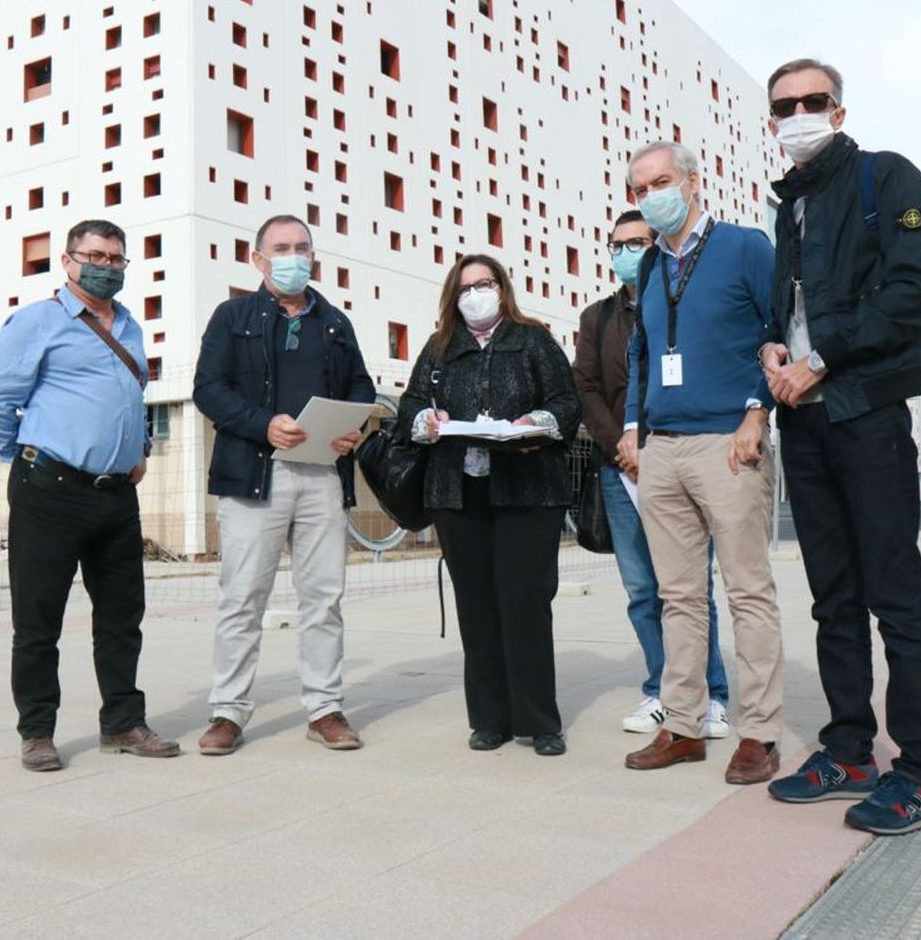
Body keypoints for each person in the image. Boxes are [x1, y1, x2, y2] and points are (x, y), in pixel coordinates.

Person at [758, 58, 921, 835]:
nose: (798, 113)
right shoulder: (789, 208)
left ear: (838, 110)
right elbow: (793, 312)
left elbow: (915, 292)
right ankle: (848, 749)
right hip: (803, 423)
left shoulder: (887, 178)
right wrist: (774, 350)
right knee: (833, 598)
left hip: (866, 415)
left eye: (813, 101)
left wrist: (821, 358)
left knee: (894, 598)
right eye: (783, 106)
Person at [0, 219, 180, 772]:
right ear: (67, 261)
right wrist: (20, 457)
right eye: (95, 255)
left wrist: (138, 449)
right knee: (38, 620)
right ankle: (37, 730)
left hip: (116, 496)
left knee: (121, 617)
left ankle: (123, 723)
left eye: (116, 258)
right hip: (50, 489)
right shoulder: (36, 321)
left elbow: (131, 395)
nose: (106, 266)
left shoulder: (130, 325)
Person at [617, 141, 784, 785]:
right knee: (677, 596)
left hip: (729, 441)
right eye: (639, 188)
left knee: (747, 590)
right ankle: (684, 724)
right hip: (663, 449)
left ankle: (760, 733)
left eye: (660, 181)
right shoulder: (648, 268)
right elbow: (643, 353)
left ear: (692, 182)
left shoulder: (744, 247)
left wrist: (756, 410)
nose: (650, 195)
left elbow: (778, 331)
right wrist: (635, 427)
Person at [192, 214, 376, 755]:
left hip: (321, 474)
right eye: (282, 248)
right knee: (242, 597)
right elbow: (208, 388)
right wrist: (261, 423)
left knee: (323, 597)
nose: (294, 256)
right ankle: (227, 711)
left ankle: (324, 707)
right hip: (255, 472)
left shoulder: (336, 323)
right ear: (258, 259)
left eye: (302, 247)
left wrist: (353, 426)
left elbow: (361, 385)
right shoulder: (232, 317)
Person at [398, 255, 582, 756]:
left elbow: (567, 402)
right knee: (476, 607)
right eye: (465, 287)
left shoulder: (533, 338)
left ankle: (539, 721)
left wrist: (537, 422)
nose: (476, 294)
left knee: (524, 602)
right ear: (451, 297)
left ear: (502, 288)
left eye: (485, 283)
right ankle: (488, 719)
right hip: (458, 494)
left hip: (527, 490)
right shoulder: (439, 348)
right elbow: (409, 406)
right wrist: (426, 421)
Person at [573, 211, 731, 739]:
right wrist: (621, 443)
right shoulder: (597, 318)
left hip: (680, 458)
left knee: (689, 587)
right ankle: (661, 690)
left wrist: (651, 443)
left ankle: (712, 694)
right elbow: (587, 388)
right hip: (621, 469)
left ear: (658, 244)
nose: (627, 253)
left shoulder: (681, 301)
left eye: (638, 243)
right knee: (642, 589)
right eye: (617, 244)